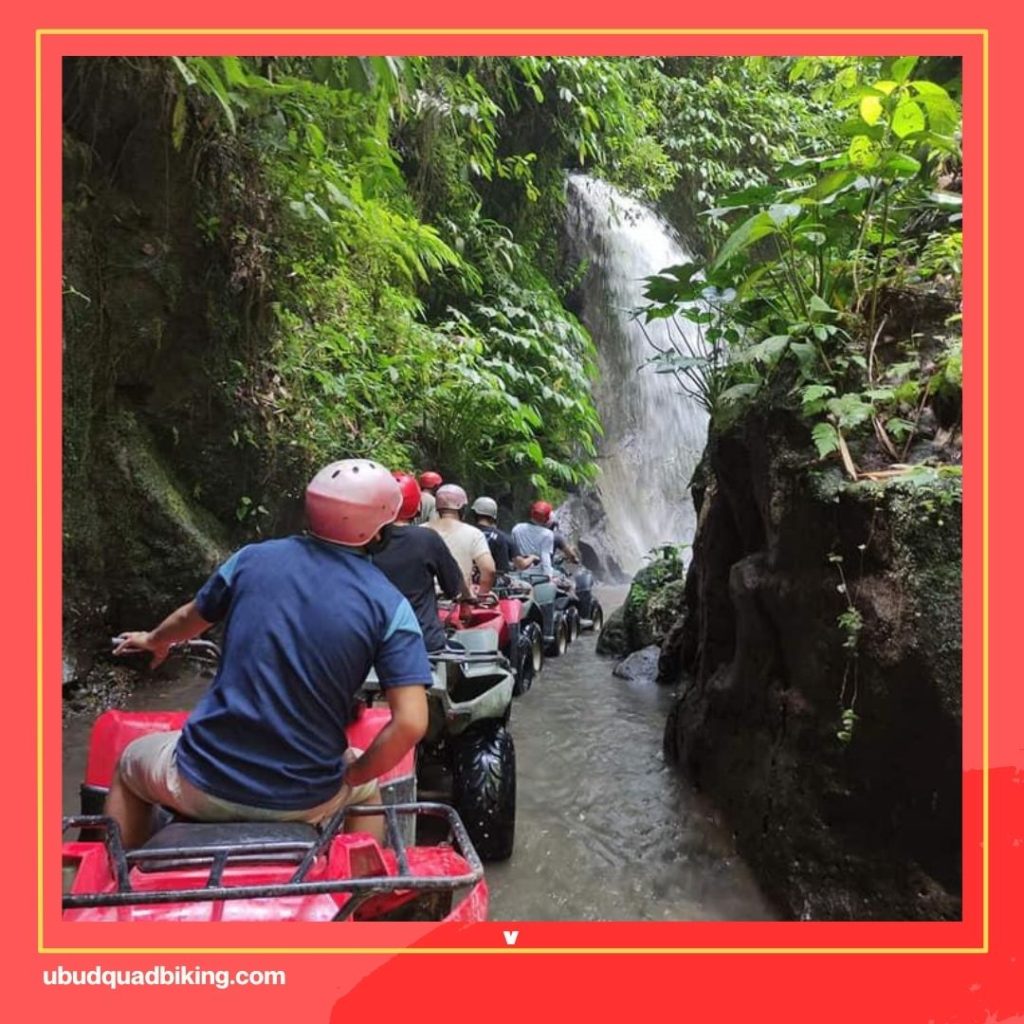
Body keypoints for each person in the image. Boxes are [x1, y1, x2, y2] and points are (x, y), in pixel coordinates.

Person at [107, 459, 432, 849]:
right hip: (307, 797)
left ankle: (114, 879)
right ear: (380, 532)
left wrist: (154, 639)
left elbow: (191, 617)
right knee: (367, 792)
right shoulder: (389, 604)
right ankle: (360, 896)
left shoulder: (250, 560)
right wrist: (355, 774)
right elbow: (411, 723)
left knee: (130, 761)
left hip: (202, 781)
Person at [373, 472, 471, 652]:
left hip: (372, 641)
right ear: (415, 507)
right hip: (422, 641)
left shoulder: (364, 542)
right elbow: (452, 588)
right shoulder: (427, 539)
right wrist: (467, 597)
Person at [424, 484, 496, 599]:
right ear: (462, 508)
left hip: (425, 599)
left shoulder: (420, 530)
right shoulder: (473, 534)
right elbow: (489, 570)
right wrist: (482, 595)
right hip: (458, 600)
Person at [511, 500, 557, 575]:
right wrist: (549, 576)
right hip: (537, 572)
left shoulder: (517, 528)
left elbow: (513, 551)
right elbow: (545, 557)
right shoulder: (548, 534)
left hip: (518, 569)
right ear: (546, 518)